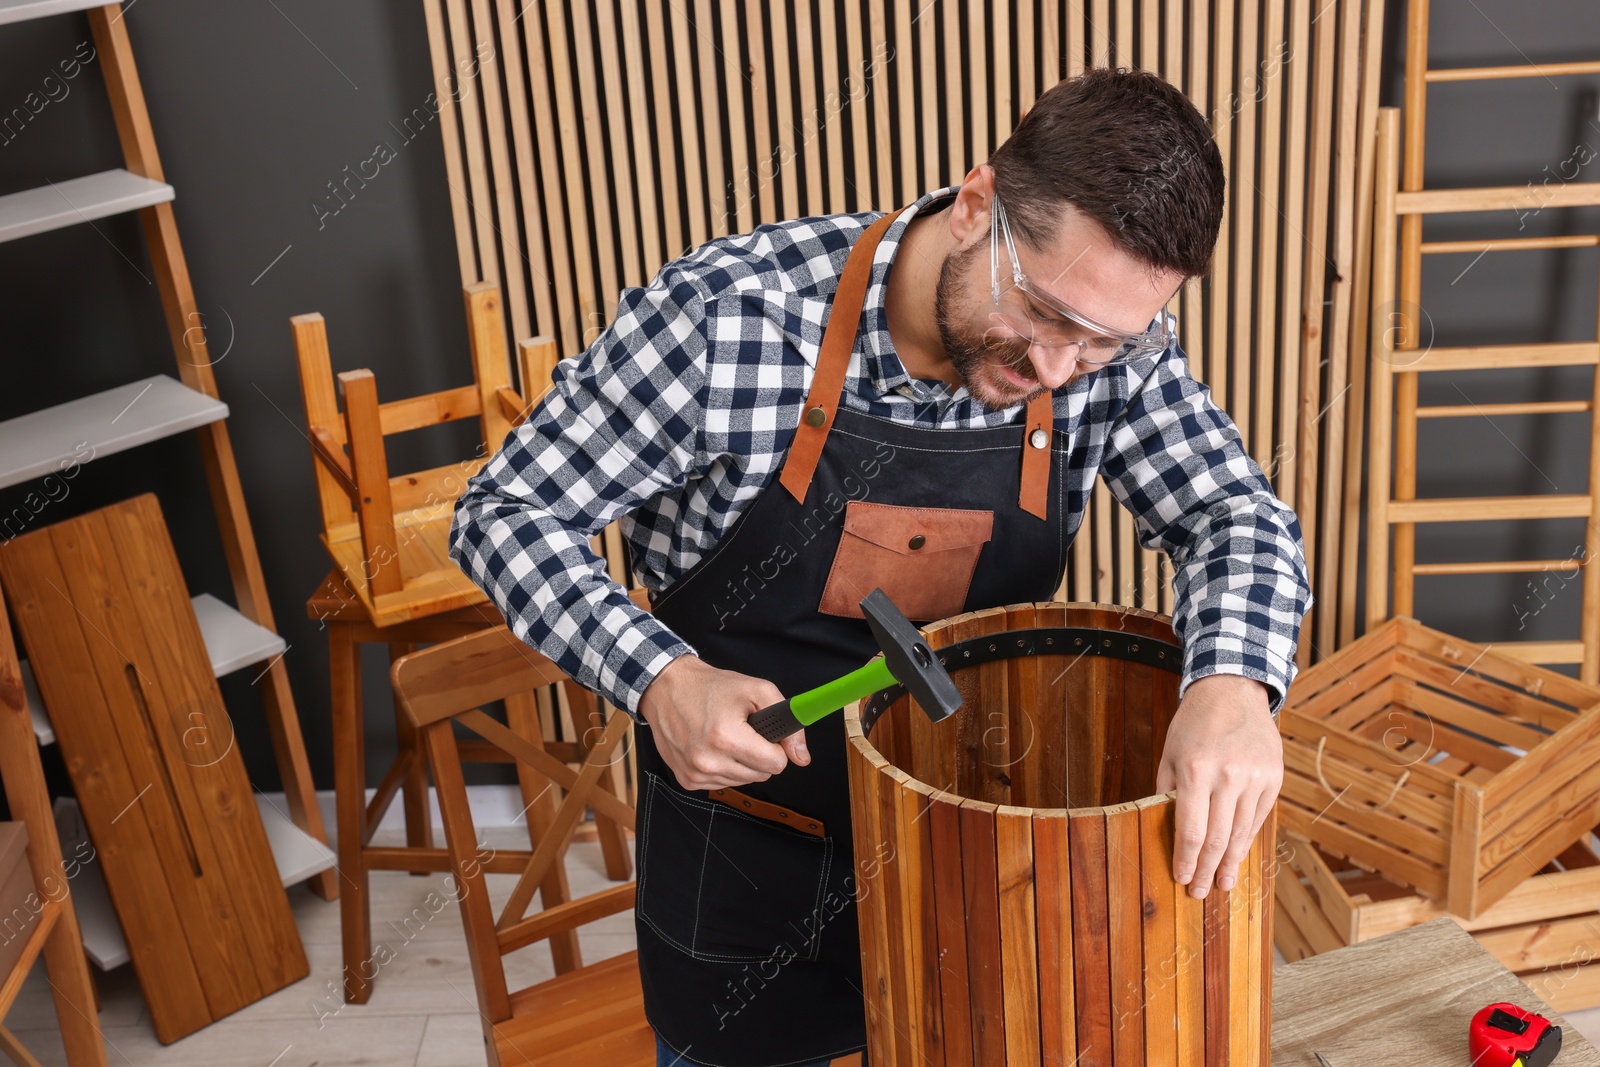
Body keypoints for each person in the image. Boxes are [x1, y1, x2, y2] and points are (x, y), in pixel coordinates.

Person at [452, 66, 1311, 1067]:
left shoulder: (1097, 350)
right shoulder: (727, 320)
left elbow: (1231, 511)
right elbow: (506, 511)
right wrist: (660, 678)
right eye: (1042, 313)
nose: (1056, 370)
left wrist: (1234, 683)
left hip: (974, 876)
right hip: (748, 870)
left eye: (1104, 343)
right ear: (976, 203)